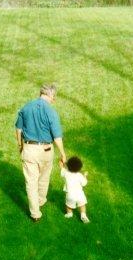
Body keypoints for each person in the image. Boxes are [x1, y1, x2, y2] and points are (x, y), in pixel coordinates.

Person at [15, 84, 67, 222]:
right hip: (46, 151)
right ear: (50, 95)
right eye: (54, 97)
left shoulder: (26, 107)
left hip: (29, 149)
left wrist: (20, 145)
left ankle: (35, 213)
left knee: (31, 182)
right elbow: (57, 137)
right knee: (44, 178)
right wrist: (63, 154)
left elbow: (18, 129)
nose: (53, 100)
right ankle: (41, 200)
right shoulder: (51, 112)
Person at [59, 156, 90, 223]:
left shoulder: (66, 173)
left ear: (68, 166)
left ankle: (69, 213)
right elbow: (84, 183)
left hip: (70, 194)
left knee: (68, 205)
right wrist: (85, 176)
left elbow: (61, 168)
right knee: (82, 205)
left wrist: (61, 162)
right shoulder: (79, 175)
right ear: (79, 168)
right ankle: (83, 215)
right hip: (80, 195)